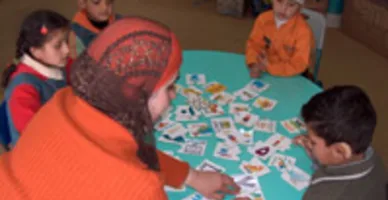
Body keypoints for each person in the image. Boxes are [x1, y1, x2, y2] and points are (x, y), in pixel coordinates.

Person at [0, 17, 240, 200]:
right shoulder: (140, 188)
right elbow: (128, 168)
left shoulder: (63, 101)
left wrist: (193, 177)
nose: (174, 95)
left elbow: (130, 150)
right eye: (169, 87)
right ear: (138, 95)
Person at [294, 86, 386, 199]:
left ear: (340, 151)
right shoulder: (370, 156)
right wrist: (314, 151)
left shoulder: (322, 195)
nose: (309, 142)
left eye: (313, 142)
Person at [1, 10, 71, 147]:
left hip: (62, 133)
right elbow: (37, 137)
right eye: (58, 45)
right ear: (35, 51)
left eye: (66, 41)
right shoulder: (23, 89)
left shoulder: (57, 61)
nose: (67, 50)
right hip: (39, 153)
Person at [246, 0, 315, 78]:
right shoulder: (263, 19)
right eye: (279, 1)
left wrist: (271, 67)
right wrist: (254, 63)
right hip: (265, 69)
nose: (283, 8)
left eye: (291, 5)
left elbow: (300, 63)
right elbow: (254, 44)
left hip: (293, 75)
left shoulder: (304, 31)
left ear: (300, 8)